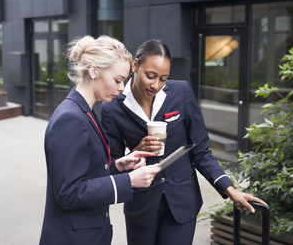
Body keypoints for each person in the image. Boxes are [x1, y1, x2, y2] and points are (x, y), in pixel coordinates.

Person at [101, 39, 267, 245]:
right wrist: (135, 152)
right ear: (135, 65)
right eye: (150, 76)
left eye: (163, 79)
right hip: (142, 204)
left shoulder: (181, 93)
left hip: (182, 201)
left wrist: (230, 190)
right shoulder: (112, 108)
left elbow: (201, 152)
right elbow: (112, 164)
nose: (156, 85)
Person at [39, 36, 161, 245]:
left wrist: (117, 166)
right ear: (94, 71)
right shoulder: (70, 118)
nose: (122, 87)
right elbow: (68, 193)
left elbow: (85, 172)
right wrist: (129, 181)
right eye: (117, 80)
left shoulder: (84, 111)